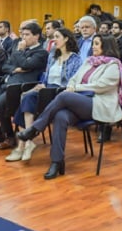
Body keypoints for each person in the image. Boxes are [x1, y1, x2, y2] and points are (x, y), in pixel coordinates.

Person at [17, 35, 122, 179]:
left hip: (98, 104)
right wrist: (72, 85)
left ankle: (35, 129)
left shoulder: (114, 65)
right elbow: (73, 78)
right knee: (60, 116)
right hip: (80, 102)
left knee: (65, 96)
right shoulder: (89, 62)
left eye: (97, 44)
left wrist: (76, 87)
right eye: (94, 43)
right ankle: (56, 162)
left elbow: (101, 86)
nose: (93, 46)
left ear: (106, 47)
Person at [0, 22, 48, 150]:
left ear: (37, 36)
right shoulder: (18, 46)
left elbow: (26, 65)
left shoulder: (41, 53)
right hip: (5, 83)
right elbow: (5, 66)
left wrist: (19, 53)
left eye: (27, 35)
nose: (23, 38)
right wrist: (15, 69)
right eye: (22, 34)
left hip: (20, 88)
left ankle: (10, 136)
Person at [8, 28, 81, 162]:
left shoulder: (75, 59)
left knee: (28, 99)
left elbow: (73, 81)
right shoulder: (52, 56)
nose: (54, 40)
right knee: (27, 96)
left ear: (66, 39)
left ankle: (23, 144)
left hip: (61, 93)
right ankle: (27, 142)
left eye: (57, 37)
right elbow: (46, 77)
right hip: (47, 90)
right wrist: (41, 84)